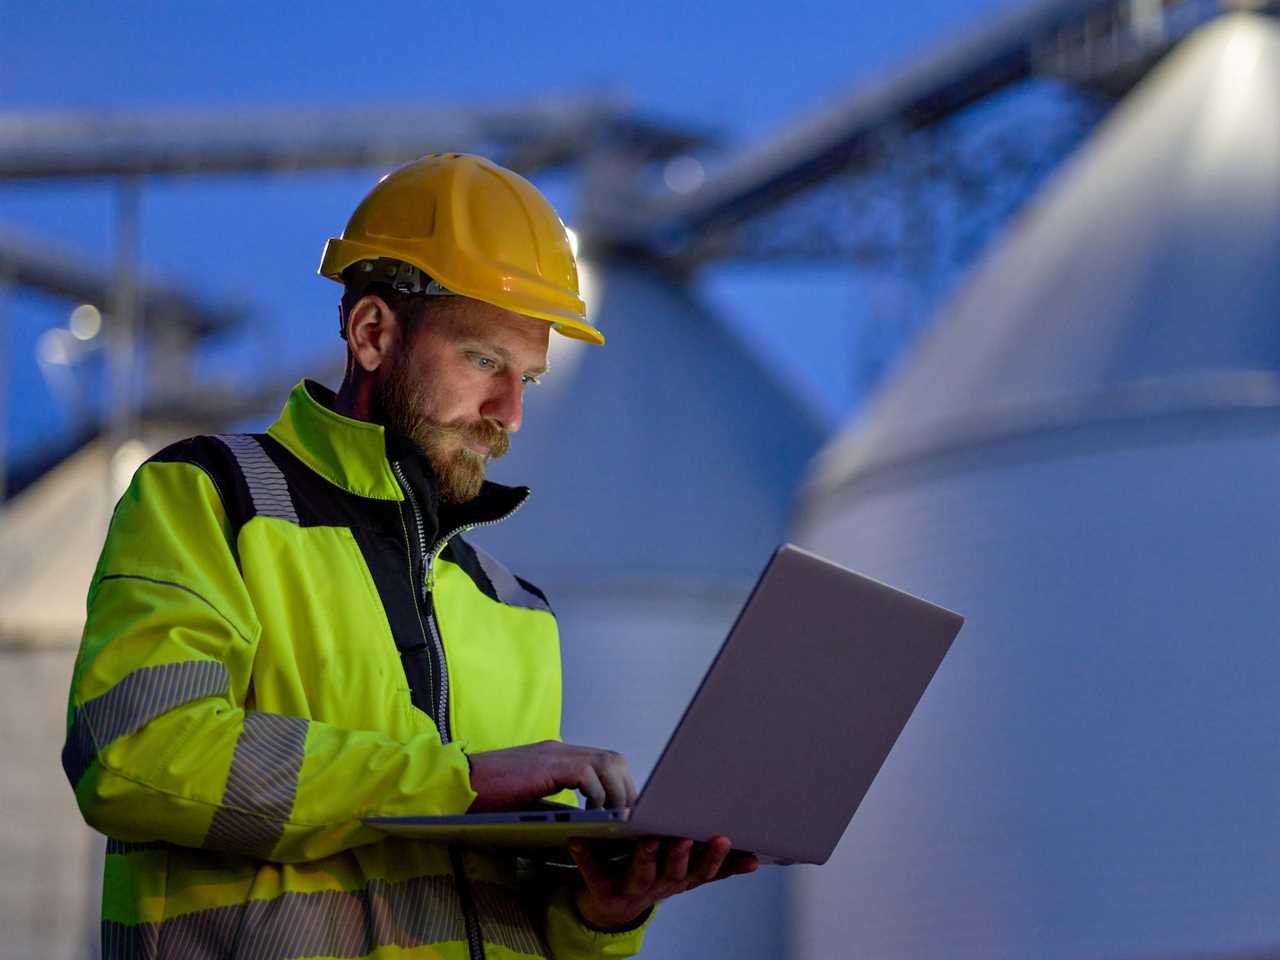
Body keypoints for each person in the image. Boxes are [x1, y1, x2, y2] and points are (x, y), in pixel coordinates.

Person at [61, 153, 757, 960]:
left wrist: (603, 915)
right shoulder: (212, 499)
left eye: (527, 376)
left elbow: (502, 910)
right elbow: (134, 752)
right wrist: (457, 780)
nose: (512, 414)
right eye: (485, 361)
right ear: (372, 334)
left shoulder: (515, 608)